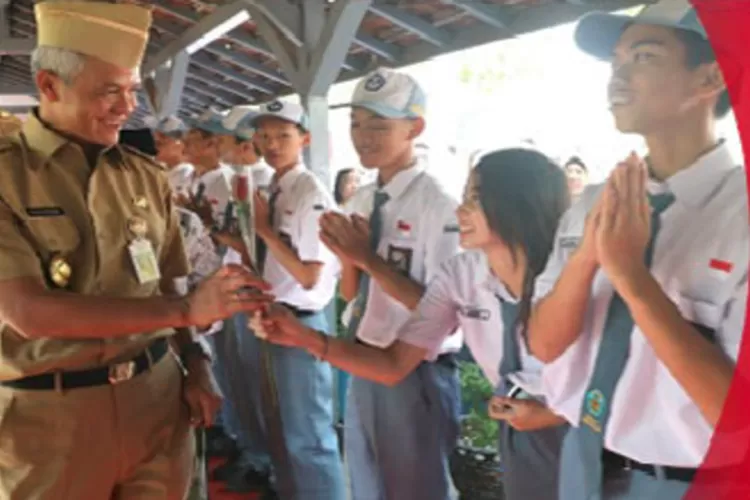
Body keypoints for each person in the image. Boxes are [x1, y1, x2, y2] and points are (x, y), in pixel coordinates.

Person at [0, 2, 271, 498]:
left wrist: (198, 364)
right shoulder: (7, 176)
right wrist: (187, 311)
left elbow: (168, 279)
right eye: (109, 91)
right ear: (48, 85)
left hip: (157, 404)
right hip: (50, 425)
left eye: (130, 90)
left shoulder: (145, 177)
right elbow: (29, 312)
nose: (127, 107)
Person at [256, 148, 572, 500]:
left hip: (589, 434)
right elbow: (394, 364)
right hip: (521, 428)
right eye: (466, 196)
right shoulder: (462, 275)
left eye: (476, 198)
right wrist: (305, 337)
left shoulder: (572, 277)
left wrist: (556, 413)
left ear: (518, 204)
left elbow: (625, 382)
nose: (460, 210)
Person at [526, 3, 746, 500]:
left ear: (710, 77)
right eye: (615, 62)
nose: (617, 78)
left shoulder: (740, 218)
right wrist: (588, 258)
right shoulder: (597, 202)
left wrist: (631, 276)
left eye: (643, 58)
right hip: (582, 464)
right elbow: (544, 345)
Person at [293, 68, 463, 500]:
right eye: (356, 124)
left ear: (415, 128)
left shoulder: (438, 204)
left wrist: (368, 258)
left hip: (415, 370)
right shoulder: (364, 199)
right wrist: (351, 260)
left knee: (415, 487)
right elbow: (353, 296)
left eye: (379, 126)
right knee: (367, 481)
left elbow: (445, 315)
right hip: (366, 358)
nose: (363, 137)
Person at [248, 99, 346, 500]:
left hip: (301, 321)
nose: (272, 144)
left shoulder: (310, 193)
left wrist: (265, 231)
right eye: (265, 136)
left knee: (309, 436)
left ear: (304, 139)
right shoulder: (275, 186)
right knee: (284, 429)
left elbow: (309, 275)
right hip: (274, 315)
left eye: (283, 136)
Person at [151, 115, 194, 195]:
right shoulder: (151, 166)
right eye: (155, 137)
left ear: (180, 144)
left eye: (163, 137)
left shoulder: (187, 173)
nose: (155, 143)